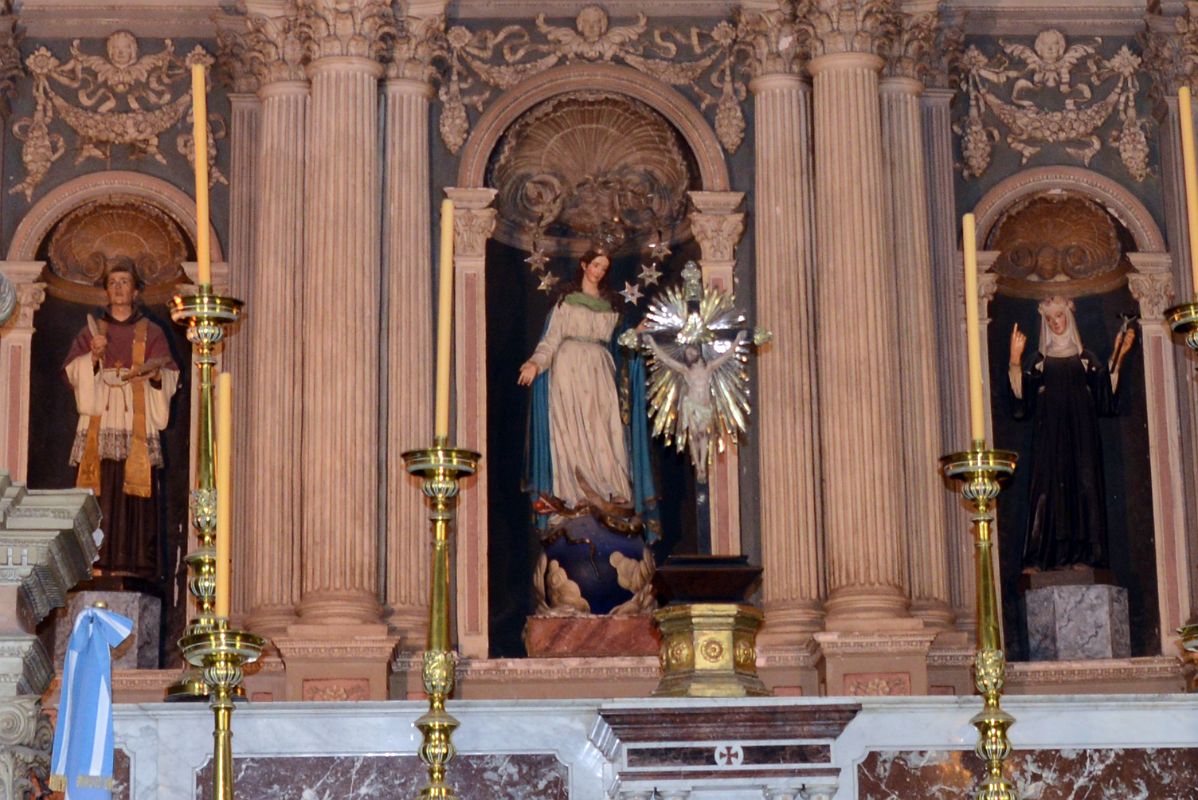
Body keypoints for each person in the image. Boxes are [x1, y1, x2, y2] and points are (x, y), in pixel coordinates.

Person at [63, 257, 179, 583]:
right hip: (101, 413)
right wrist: (94, 357)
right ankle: (97, 559)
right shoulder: (91, 332)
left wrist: (154, 374)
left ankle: (136, 562)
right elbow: (74, 372)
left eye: (124, 281)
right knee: (104, 488)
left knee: (133, 494)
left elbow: (169, 373)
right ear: (105, 290)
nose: (118, 288)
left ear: (136, 289)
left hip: (135, 416)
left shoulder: (152, 331)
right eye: (112, 282)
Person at [1008, 295, 1135, 573]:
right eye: (1050, 318)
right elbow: (1022, 403)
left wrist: (1119, 353)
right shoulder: (1039, 362)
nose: (1055, 323)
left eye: (1059, 316)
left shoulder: (1085, 360)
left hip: (1082, 438)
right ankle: (1040, 557)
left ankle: (1087, 556)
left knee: (1085, 489)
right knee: (1046, 492)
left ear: (1069, 317)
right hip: (1049, 440)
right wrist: (1015, 361)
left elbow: (1105, 395)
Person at [518, 251, 632, 513]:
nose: (599, 271)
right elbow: (552, 339)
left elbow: (621, 343)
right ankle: (575, 492)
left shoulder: (611, 306)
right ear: (584, 265)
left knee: (602, 425)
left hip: (599, 368)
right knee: (570, 428)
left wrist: (637, 334)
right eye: (595, 265)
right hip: (568, 368)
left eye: (604, 267)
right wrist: (536, 362)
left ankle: (609, 487)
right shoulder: (566, 302)